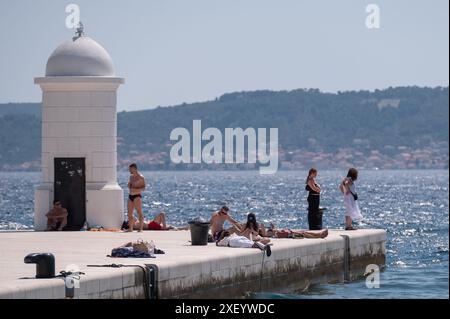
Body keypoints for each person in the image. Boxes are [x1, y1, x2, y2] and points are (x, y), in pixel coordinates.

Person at [127, 163, 146, 232]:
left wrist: (136, 190)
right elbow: (130, 184)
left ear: (134, 168)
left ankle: (141, 229)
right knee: (129, 213)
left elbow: (144, 188)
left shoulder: (141, 177)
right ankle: (130, 228)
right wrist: (129, 185)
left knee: (139, 212)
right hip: (130, 195)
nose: (129, 170)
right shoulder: (131, 177)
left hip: (137, 196)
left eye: (130, 169)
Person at [122, 212, 188, 231]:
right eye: (128, 221)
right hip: (151, 225)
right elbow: (134, 217)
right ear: (128, 224)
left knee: (170, 227)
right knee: (162, 214)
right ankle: (165, 227)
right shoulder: (133, 225)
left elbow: (134, 218)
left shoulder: (134, 224)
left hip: (152, 225)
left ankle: (183, 228)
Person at [259, 223, 328, 239]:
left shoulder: (267, 231)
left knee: (303, 232)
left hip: (287, 232)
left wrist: (273, 227)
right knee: (304, 234)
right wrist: (261, 226)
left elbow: (274, 230)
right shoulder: (264, 233)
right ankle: (319, 235)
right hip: (287, 234)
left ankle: (319, 234)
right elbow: (265, 235)